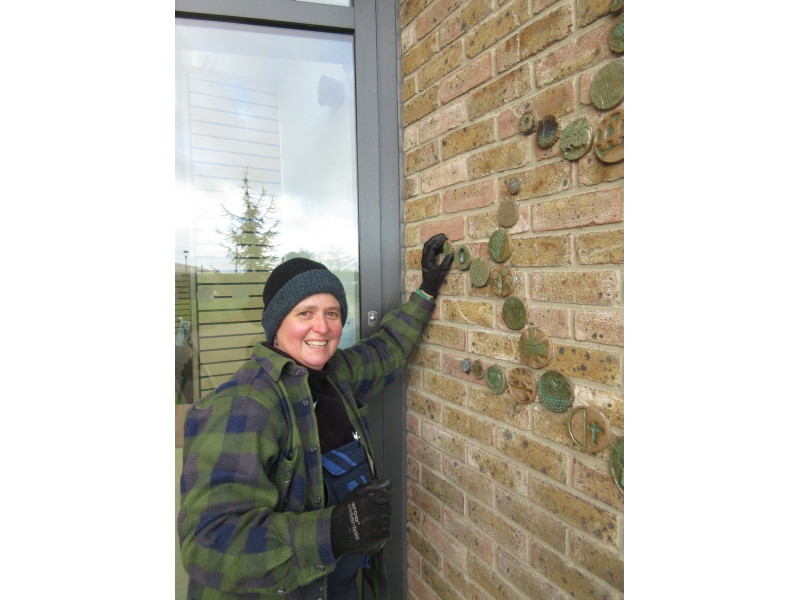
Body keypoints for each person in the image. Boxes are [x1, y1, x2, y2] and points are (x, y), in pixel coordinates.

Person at [179, 234, 454, 600]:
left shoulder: (335, 374)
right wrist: (332, 533)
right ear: (276, 325)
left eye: (332, 313)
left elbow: (387, 349)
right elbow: (208, 544)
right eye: (304, 313)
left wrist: (426, 291)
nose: (322, 328)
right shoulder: (244, 404)